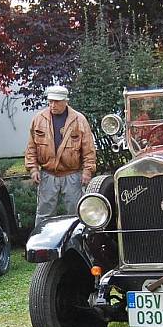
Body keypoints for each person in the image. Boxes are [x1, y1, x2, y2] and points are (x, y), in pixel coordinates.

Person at [24, 85, 96, 228]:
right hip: (47, 175)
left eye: (56, 102)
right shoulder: (38, 119)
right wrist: (33, 169)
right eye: (50, 101)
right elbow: (31, 148)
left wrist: (87, 171)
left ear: (65, 101)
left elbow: (89, 149)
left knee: (76, 213)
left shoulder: (79, 120)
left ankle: (78, 241)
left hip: (72, 175)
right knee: (44, 214)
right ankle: (42, 244)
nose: (53, 105)